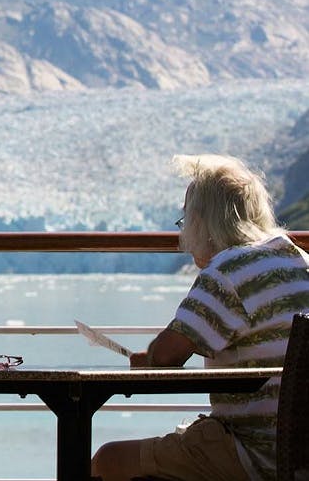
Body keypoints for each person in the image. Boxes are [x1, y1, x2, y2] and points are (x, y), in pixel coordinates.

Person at [93, 154, 309, 481]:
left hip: (254, 454)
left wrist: (148, 360)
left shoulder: (229, 270)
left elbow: (166, 355)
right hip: (301, 456)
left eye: (186, 220)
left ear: (203, 221)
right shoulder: (298, 260)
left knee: (109, 460)